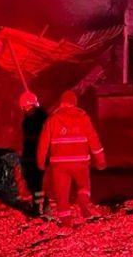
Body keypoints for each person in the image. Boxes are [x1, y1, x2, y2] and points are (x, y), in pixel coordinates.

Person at [37, 91, 105, 227]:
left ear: (61, 103)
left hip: (59, 165)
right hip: (80, 162)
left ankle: (66, 223)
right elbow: (94, 140)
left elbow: (43, 143)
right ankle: (83, 201)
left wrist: (40, 162)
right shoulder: (83, 118)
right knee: (84, 185)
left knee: (61, 195)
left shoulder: (53, 120)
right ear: (74, 104)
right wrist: (101, 160)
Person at [18, 91, 49, 215]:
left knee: (36, 183)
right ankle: (42, 203)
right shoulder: (41, 118)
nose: (25, 110)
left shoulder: (33, 121)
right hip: (32, 156)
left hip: (36, 156)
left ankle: (37, 207)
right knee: (35, 183)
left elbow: (33, 138)